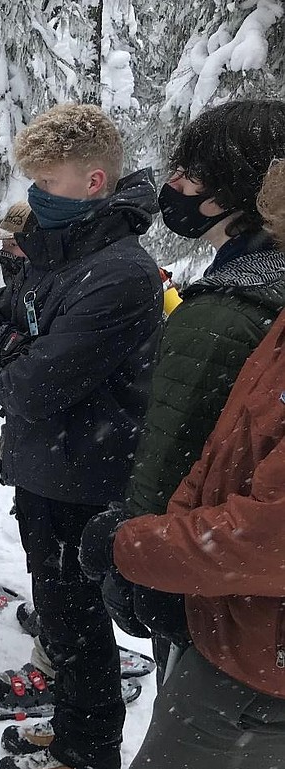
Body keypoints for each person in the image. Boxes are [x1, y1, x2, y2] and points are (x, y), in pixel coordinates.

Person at [0, 103, 163, 769]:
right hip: (48, 468)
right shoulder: (60, 255)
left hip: (87, 477)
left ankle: (89, 750)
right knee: (62, 616)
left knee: (77, 623)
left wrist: (17, 352)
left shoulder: (118, 272)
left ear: (93, 181)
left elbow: (33, 385)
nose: (36, 196)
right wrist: (18, 346)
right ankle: (79, 722)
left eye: (47, 181)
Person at [79, 99, 285, 681]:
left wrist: (139, 562)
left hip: (209, 582)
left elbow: (174, 446)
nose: (173, 184)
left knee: (180, 752)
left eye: (191, 175)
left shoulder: (221, 311)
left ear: (237, 195)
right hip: (246, 585)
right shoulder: (264, 286)